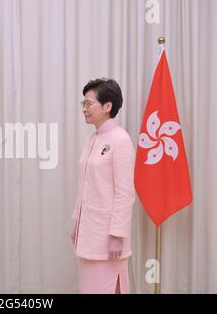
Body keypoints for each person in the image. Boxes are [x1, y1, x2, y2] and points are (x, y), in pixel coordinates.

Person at [71, 78, 135, 294]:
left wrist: (118, 234)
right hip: (89, 234)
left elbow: (125, 194)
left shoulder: (121, 140)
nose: (84, 109)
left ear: (108, 106)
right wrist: (78, 224)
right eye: (84, 104)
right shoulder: (92, 139)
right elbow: (88, 188)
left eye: (89, 103)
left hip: (109, 240)